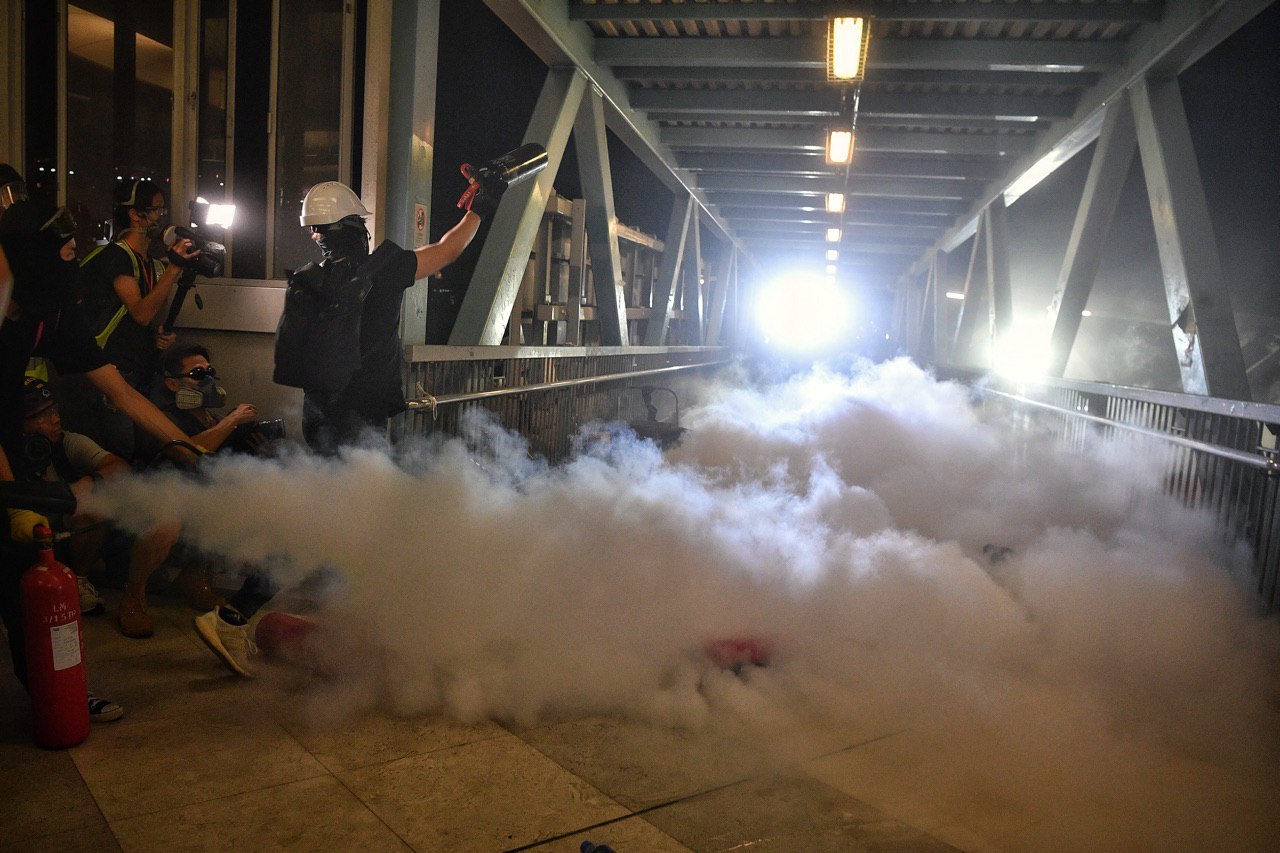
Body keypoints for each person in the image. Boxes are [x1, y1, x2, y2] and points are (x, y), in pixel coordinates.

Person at [0, 199, 199, 696]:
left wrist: (189, 449)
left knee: (20, 580)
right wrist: (12, 497)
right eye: (64, 253)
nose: (72, 264)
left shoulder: (49, 309)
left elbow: (122, 392)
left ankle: (53, 696)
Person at [274, 176, 502, 453]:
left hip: (316, 416)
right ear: (356, 227)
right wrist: (479, 209)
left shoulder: (307, 281)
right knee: (365, 490)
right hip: (366, 417)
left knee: (325, 488)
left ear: (318, 233)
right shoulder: (387, 268)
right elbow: (448, 250)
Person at [9, 378, 180, 639]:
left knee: (115, 511)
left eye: (54, 410)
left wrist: (87, 484)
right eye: (42, 415)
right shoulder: (7, 457)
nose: (55, 419)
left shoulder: (68, 443)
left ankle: (88, 583)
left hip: (71, 537)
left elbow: (119, 467)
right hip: (21, 544)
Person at [76, 179, 199, 459]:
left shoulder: (148, 260)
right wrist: (174, 269)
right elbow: (141, 313)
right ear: (135, 214)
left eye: (161, 210)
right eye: (155, 210)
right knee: (123, 451)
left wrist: (159, 334)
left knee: (148, 450)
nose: (160, 217)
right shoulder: (117, 256)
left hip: (141, 369)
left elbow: (143, 319)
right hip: (114, 372)